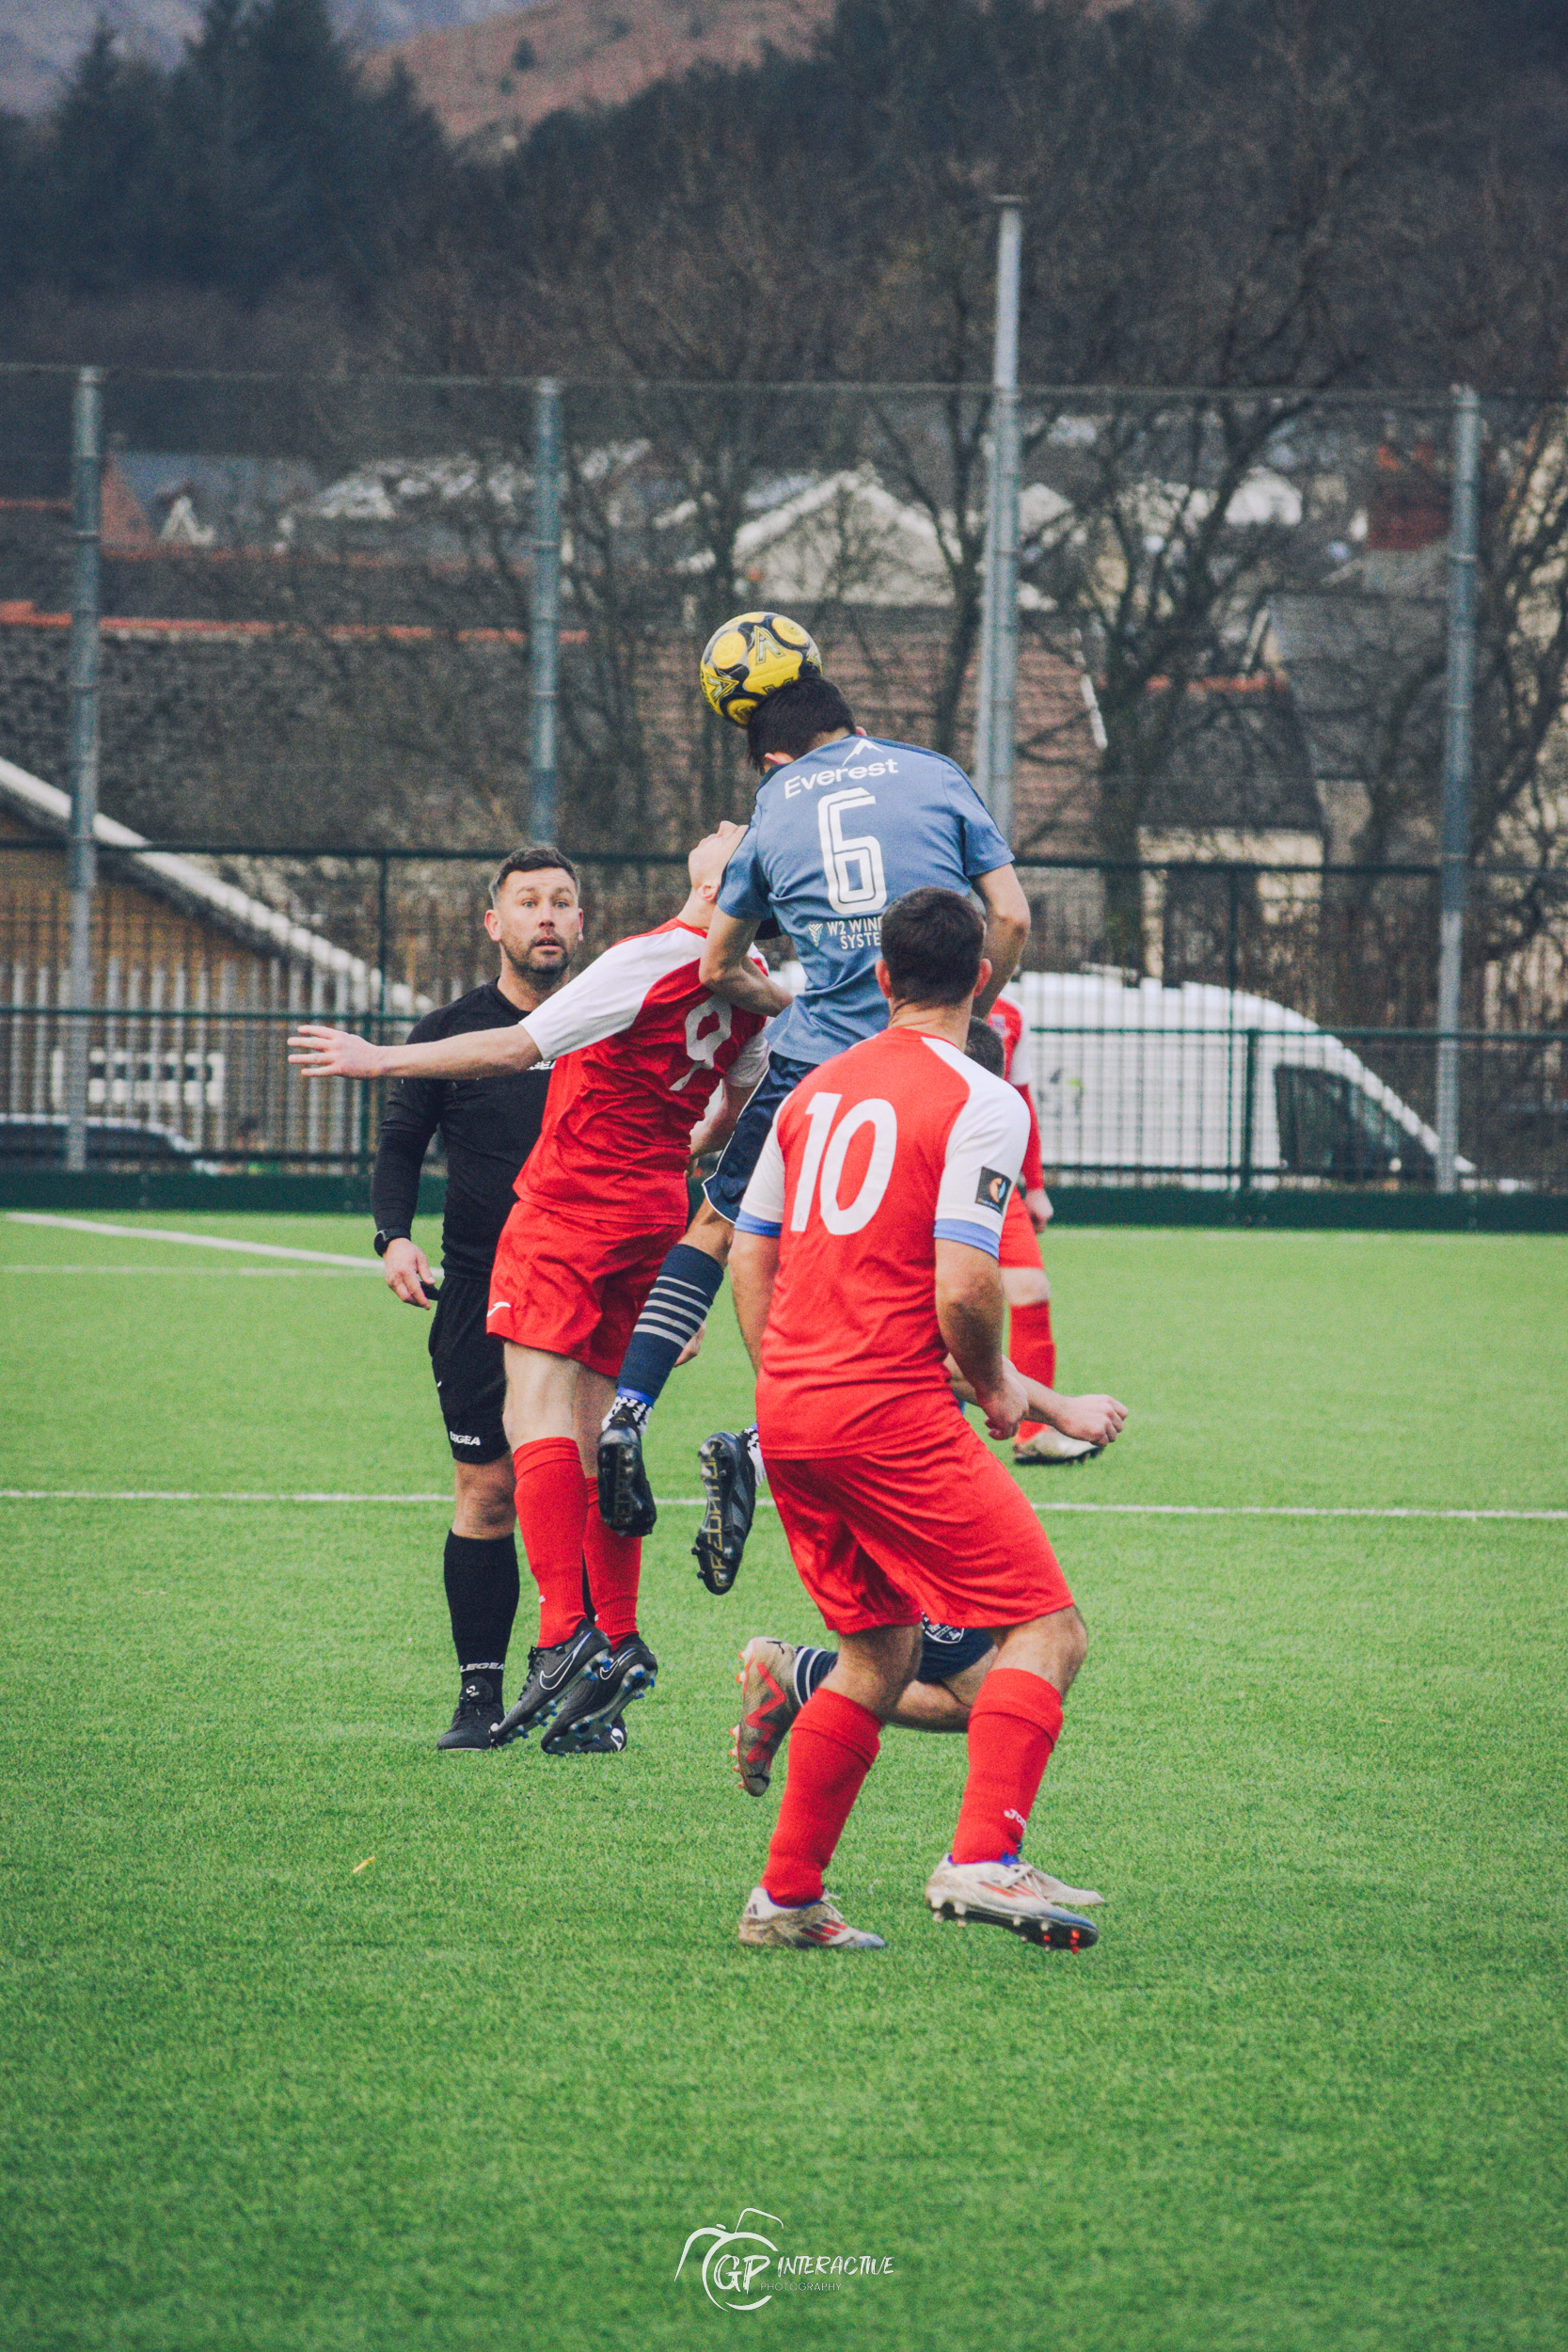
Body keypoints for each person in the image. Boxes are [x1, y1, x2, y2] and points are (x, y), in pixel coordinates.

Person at [290, 827, 769, 1755]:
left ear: (722, 881)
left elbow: (515, 1049)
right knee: (598, 1437)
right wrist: (677, 1148)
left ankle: (561, 1638)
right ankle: (613, 1638)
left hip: (567, 1209)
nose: (723, 828)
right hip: (649, 1212)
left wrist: (373, 1057)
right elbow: (744, 1099)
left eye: (733, 839)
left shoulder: (646, 961)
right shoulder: (752, 988)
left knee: (535, 1414)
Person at [727, 885, 1112, 1952]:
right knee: (1047, 1627)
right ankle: (983, 1858)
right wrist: (996, 1389)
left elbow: (750, 1253)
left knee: (878, 1654)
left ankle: (785, 1900)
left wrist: (782, 1375)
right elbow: (965, 1285)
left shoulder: (811, 1091)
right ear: (980, 979)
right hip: (888, 1412)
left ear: (882, 978)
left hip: (792, 1411)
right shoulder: (979, 1096)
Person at [596, 669, 1033, 1574]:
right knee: (906, 1275)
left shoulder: (772, 808)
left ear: (770, 757)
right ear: (852, 720)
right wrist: (971, 1008)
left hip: (812, 1065)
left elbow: (718, 966)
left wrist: (794, 1004)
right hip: (920, 1067)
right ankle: (770, 1445)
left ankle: (628, 1412)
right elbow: (1012, 914)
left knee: (719, 1228)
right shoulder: (932, 772)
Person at [368, 844, 590, 1752]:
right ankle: (479, 1695)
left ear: (581, 924)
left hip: (581, 1295)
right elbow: (399, 1144)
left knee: (579, 1489)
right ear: (494, 923)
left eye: (562, 901)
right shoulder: (449, 1031)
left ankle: (585, 1696)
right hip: (476, 1293)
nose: (547, 916)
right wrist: (394, 1235)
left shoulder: (610, 1024)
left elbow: (661, 1150)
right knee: (488, 1491)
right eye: (528, 902)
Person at [972, 1009, 1101, 1468]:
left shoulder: (1012, 1015)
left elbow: (1021, 1101)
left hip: (991, 1174)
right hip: (930, 1162)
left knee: (1030, 1289)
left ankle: (1033, 1434)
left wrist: (1037, 1186)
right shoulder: (914, 994)